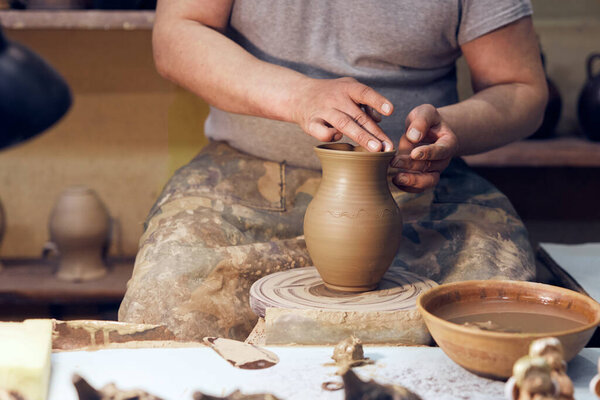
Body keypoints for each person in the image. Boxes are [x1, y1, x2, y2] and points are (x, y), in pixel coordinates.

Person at [119, 0, 548, 340]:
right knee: (165, 306)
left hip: (416, 178)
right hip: (242, 169)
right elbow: (175, 37)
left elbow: (521, 88)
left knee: (502, 318)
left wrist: (451, 130)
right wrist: (297, 95)